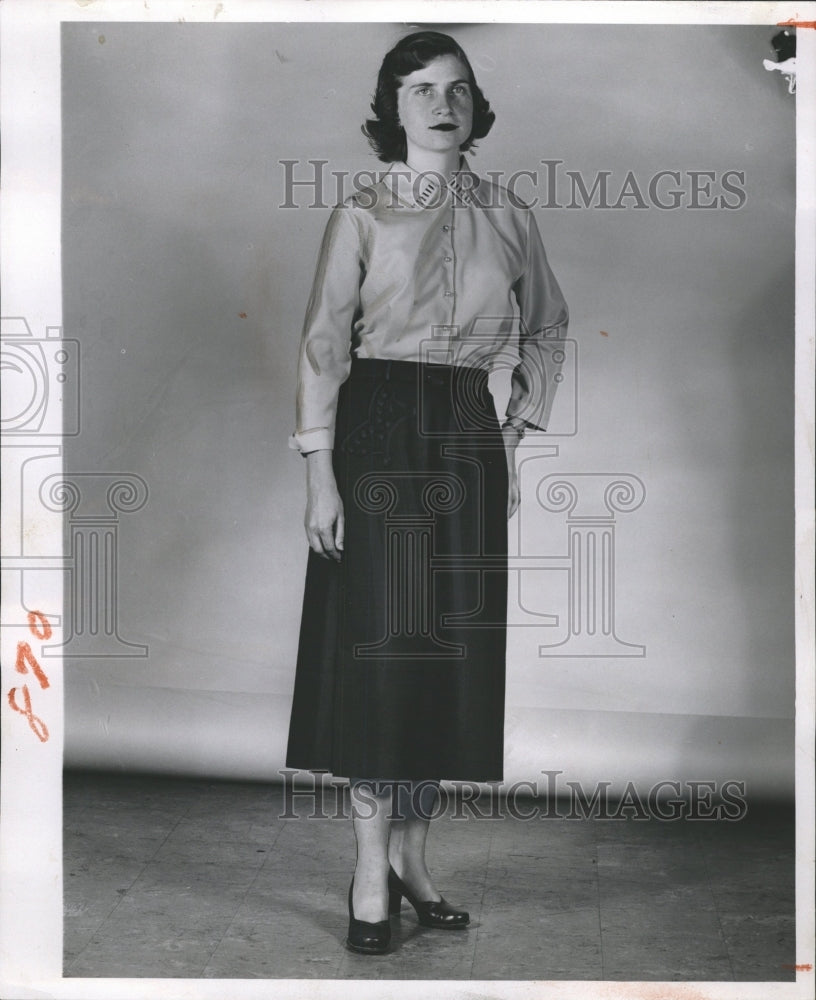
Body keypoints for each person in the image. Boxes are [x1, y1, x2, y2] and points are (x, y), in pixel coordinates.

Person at [285, 30, 568, 955]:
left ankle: (412, 858)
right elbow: (325, 344)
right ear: (392, 109)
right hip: (375, 428)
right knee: (381, 659)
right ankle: (369, 870)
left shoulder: (510, 215)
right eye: (419, 90)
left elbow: (549, 327)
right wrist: (319, 473)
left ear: (476, 105)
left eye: (457, 88)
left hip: (465, 432)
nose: (442, 105)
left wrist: (514, 434)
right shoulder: (363, 210)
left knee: (446, 662)